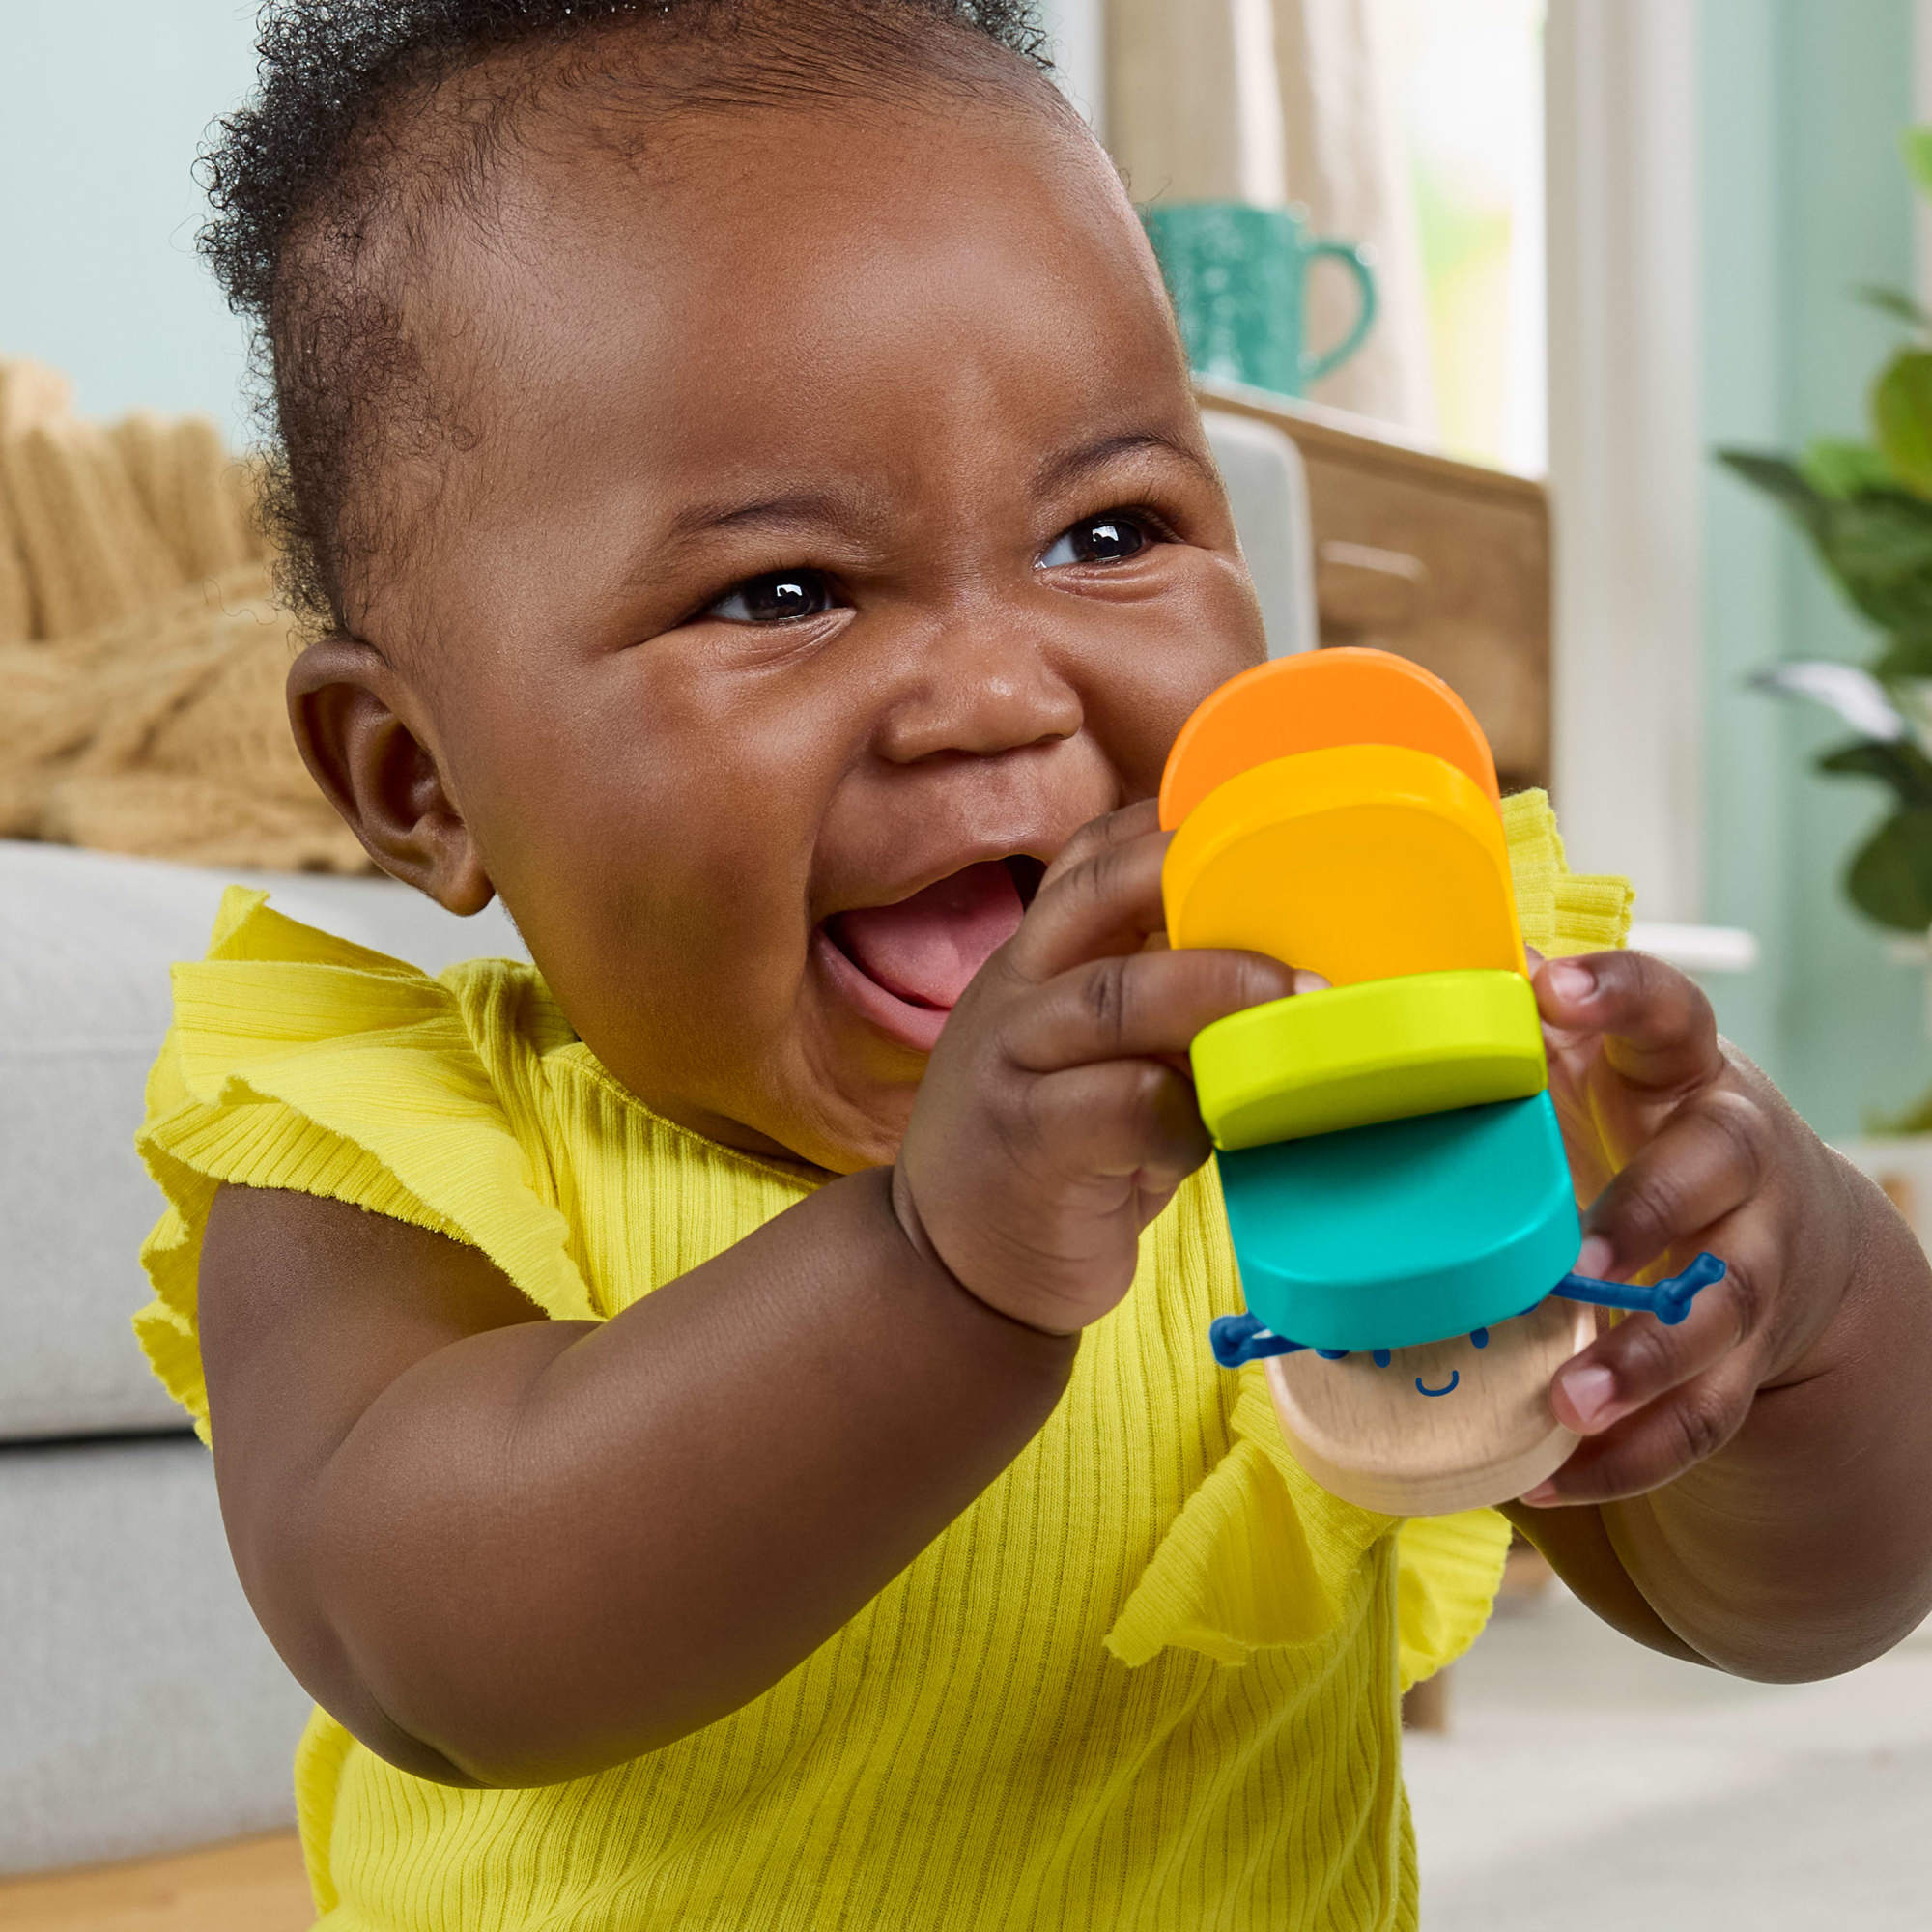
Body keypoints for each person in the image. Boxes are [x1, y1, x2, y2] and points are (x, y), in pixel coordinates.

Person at [132, 3, 1932, 1925]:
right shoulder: (378, 1154)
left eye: (1105, 531)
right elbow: (436, 1654)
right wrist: (939, 1267)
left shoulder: (1367, 1052)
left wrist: (1797, 1301)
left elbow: (1795, 1608)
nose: (1001, 691)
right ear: (416, 781)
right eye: (781, 591)